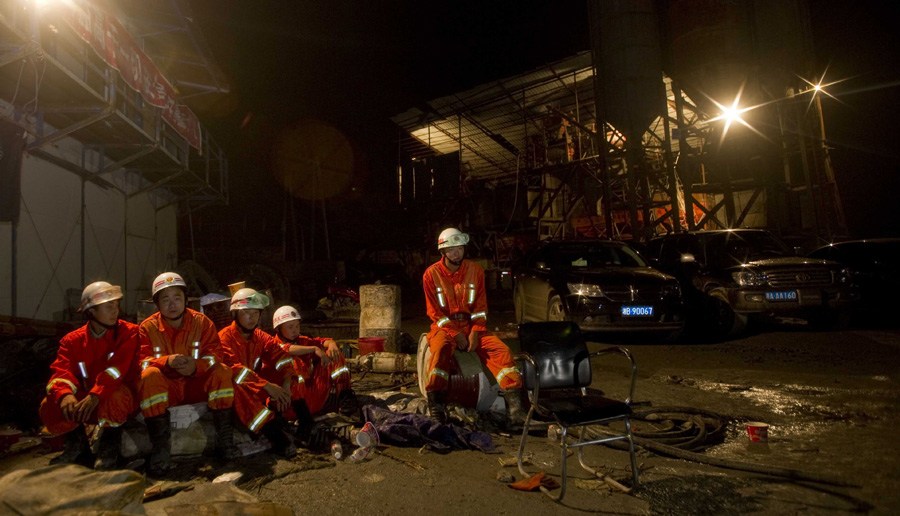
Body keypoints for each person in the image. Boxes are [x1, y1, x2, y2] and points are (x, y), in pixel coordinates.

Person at [421, 227, 527, 426]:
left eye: (459, 248)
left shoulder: (475, 270)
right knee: (440, 351)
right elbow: (434, 313)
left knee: (501, 351)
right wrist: (455, 334)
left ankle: (515, 410)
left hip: (471, 326)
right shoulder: (430, 275)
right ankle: (436, 404)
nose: (456, 253)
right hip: (444, 327)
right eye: (451, 249)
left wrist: (476, 331)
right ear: (442, 252)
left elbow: (480, 307)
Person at [137, 272, 238, 476]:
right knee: (149, 376)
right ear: (156, 303)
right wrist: (166, 361)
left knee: (222, 372)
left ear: (185, 299)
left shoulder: (202, 323)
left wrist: (196, 366)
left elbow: (215, 355)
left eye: (177, 297)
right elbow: (142, 361)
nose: (172, 304)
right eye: (165, 299)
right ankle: (161, 450)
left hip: (195, 385)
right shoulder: (147, 328)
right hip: (168, 389)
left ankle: (225, 442)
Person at [40, 281, 140, 470]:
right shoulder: (72, 341)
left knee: (114, 396)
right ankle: (77, 448)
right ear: (91, 311)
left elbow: (116, 370)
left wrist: (96, 395)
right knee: (50, 403)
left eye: (117, 305)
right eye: (108, 306)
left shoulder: (129, 333)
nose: (115, 311)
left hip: (118, 400)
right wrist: (65, 395)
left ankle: (109, 450)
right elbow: (61, 371)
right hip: (89, 402)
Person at [218, 288, 299, 457]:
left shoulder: (260, 337)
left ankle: (293, 419)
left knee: (288, 374)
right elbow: (235, 370)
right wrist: (267, 386)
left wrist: (286, 382)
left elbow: (281, 357)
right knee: (236, 384)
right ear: (235, 315)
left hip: (251, 387)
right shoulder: (224, 338)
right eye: (247, 312)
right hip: (228, 395)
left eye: (256, 313)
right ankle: (272, 431)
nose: (252, 318)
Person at [271, 305, 354, 428]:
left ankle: (346, 401)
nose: (295, 330)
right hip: (291, 406)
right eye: (290, 327)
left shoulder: (302, 340)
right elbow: (286, 349)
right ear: (278, 329)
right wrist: (314, 349)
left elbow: (322, 341)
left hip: (312, 397)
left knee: (334, 354)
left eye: (297, 326)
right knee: (292, 363)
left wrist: (332, 344)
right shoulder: (272, 344)